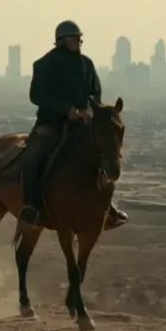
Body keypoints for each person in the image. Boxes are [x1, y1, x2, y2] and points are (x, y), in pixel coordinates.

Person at [19, 20, 130, 230]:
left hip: (82, 123)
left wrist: (89, 111)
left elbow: (95, 91)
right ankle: (31, 206)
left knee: (101, 151)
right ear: (61, 41)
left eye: (79, 39)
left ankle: (107, 207)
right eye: (73, 38)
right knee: (34, 153)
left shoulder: (86, 64)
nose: (77, 42)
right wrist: (65, 110)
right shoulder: (44, 65)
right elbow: (37, 95)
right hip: (52, 122)